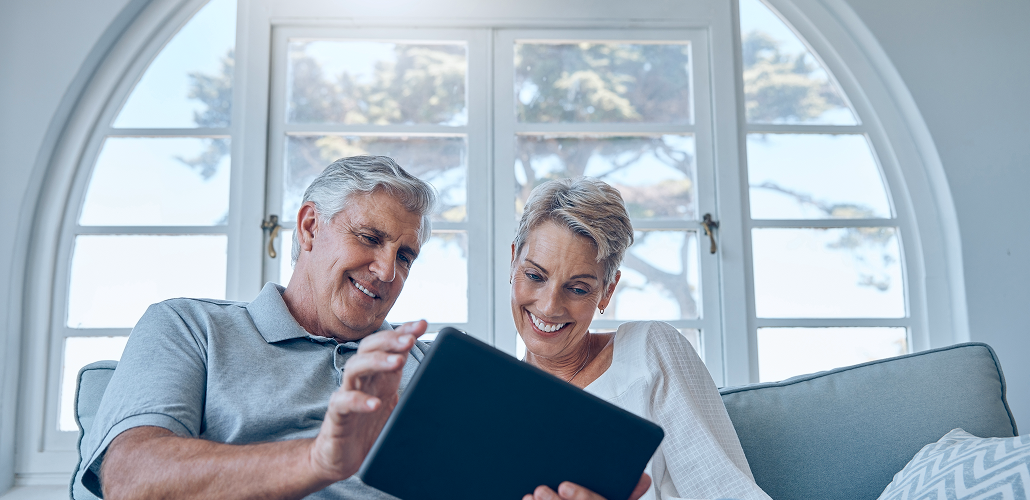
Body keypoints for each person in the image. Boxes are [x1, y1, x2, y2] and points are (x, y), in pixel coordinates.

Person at [78, 156, 645, 500]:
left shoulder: (431, 369)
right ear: (308, 226)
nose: (386, 270)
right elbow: (130, 480)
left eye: (405, 256)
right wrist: (321, 458)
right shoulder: (191, 327)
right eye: (370, 239)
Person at [510, 178, 772, 500]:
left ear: (607, 291)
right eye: (535, 276)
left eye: (578, 288)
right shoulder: (489, 399)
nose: (549, 307)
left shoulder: (648, 351)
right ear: (513, 262)